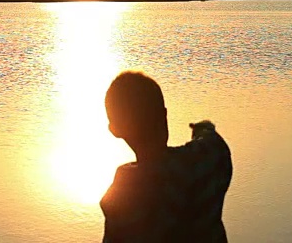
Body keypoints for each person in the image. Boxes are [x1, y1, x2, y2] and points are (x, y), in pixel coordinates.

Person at [100, 71, 233, 243]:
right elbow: (214, 144)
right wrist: (204, 129)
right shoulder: (200, 161)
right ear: (164, 114)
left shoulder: (119, 197)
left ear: (114, 130)